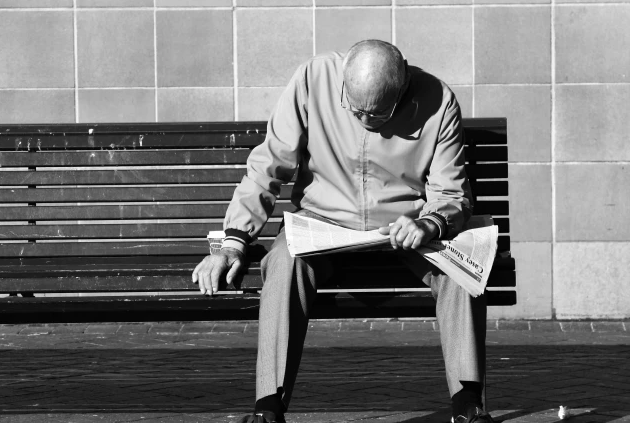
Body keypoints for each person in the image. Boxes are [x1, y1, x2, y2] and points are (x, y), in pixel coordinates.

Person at [192, 40, 493, 423]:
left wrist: (430, 222)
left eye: (378, 113)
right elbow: (268, 165)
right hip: (323, 221)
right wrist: (232, 241)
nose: (365, 120)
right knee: (283, 264)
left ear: (402, 89)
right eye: (355, 109)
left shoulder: (438, 99)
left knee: (463, 269)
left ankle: (468, 404)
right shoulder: (311, 79)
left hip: (404, 227)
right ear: (343, 85)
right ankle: (268, 407)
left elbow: (450, 191)